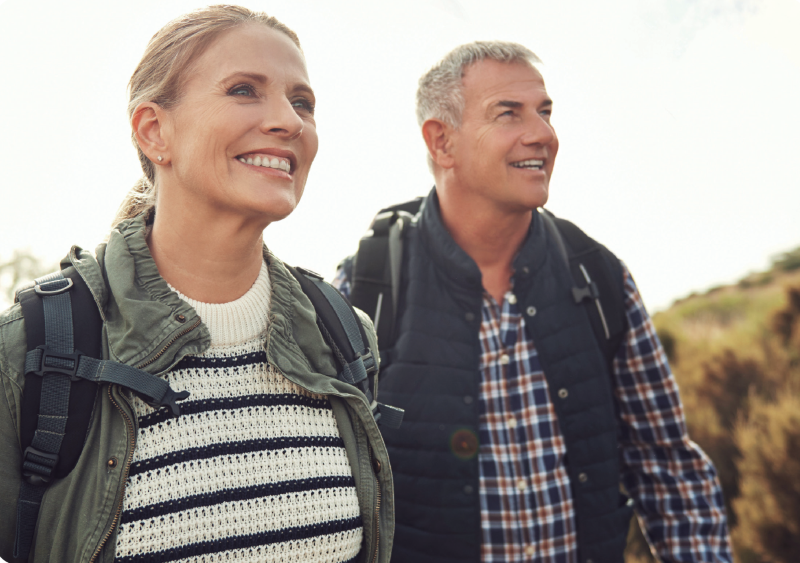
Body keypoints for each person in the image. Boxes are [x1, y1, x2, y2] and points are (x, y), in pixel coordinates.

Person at [0, 6, 393, 563]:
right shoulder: (28, 352)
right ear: (154, 130)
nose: (289, 121)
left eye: (301, 102)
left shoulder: (345, 336)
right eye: (243, 90)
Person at [335, 41, 731, 563]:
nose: (543, 133)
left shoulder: (599, 275)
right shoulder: (367, 288)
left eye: (544, 112)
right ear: (441, 141)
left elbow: (668, 470)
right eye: (508, 113)